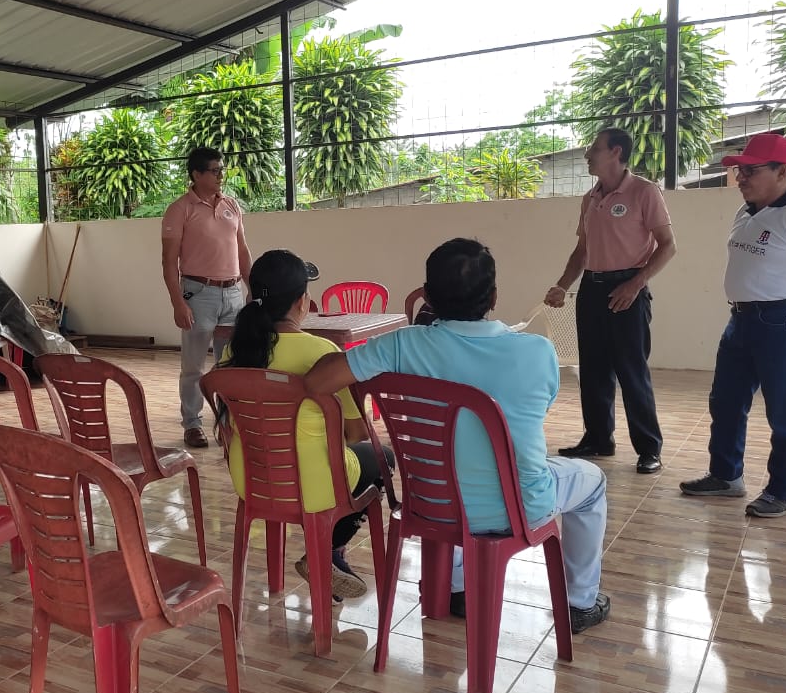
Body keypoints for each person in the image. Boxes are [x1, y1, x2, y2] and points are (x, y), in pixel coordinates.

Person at [307, 238, 611, 633]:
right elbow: (535, 413)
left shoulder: (401, 345)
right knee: (592, 482)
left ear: (428, 296)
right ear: (494, 297)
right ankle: (580, 602)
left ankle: (456, 588)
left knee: (450, 467)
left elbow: (318, 381)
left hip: (430, 503)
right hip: (521, 508)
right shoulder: (537, 352)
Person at [214, 249, 391, 601]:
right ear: (302, 302)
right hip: (315, 485)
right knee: (382, 457)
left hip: (253, 479)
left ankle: (324, 559)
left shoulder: (234, 352)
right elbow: (356, 433)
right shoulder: (322, 352)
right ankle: (329, 552)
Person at [680, 132, 786, 518]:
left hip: (785, 321)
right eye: (739, 171)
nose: (740, 178)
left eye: (751, 170)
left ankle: (782, 491)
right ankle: (725, 475)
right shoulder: (746, 212)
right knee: (726, 401)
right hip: (742, 318)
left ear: (783, 171)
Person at [544, 126, 676, 475]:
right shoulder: (590, 198)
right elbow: (581, 251)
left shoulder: (644, 192)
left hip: (627, 289)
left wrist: (635, 284)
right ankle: (598, 439)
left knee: (632, 371)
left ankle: (649, 449)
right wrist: (562, 285)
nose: (588, 154)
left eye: (594, 148)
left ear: (616, 152)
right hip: (592, 287)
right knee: (593, 369)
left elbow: (668, 246)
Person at [162, 147, 251, 449]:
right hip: (199, 295)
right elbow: (168, 262)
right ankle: (192, 423)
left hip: (233, 294)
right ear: (196, 174)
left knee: (229, 364)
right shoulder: (180, 209)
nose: (221, 175)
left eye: (221, 169)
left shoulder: (231, 205)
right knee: (193, 366)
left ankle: (226, 423)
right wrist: (178, 303)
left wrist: (251, 287)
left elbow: (242, 250)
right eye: (214, 171)